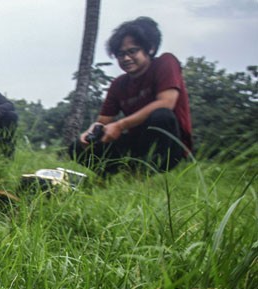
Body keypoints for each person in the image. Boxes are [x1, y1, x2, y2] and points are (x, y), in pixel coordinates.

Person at [70, 16, 192, 175]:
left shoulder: (165, 63)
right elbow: (104, 121)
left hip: (169, 145)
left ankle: (145, 175)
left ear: (150, 49)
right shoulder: (118, 84)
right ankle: (115, 176)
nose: (126, 58)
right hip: (136, 144)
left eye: (132, 51)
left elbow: (166, 102)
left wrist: (120, 125)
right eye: (120, 54)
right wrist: (92, 132)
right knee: (76, 147)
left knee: (162, 116)